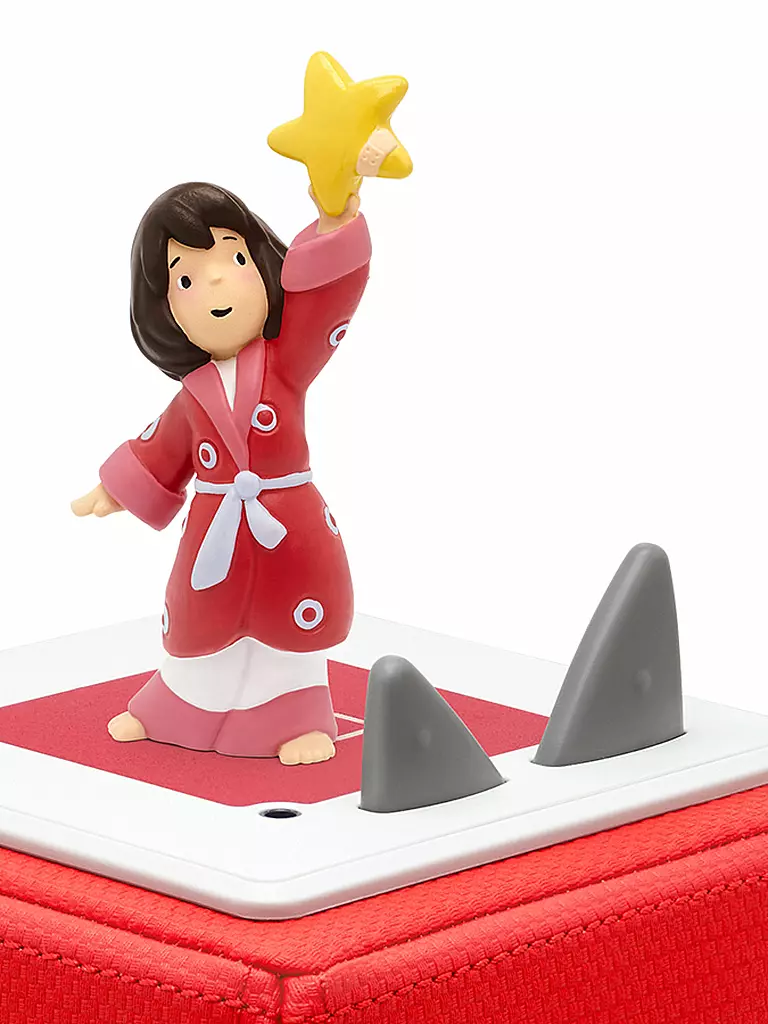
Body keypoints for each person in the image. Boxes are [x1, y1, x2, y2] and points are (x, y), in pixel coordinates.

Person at [72, 173, 374, 765]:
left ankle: (296, 717)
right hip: (216, 530)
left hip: (288, 525)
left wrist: (334, 225)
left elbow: (324, 307)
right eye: (185, 278)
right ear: (166, 310)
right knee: (202, 621)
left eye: (233, 259)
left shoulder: (288, 363)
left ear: (261, 265)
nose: (214, 283)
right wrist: (116, 489)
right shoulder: (194, 393)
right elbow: (162, 447)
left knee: (288, 626)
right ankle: (179, 709)